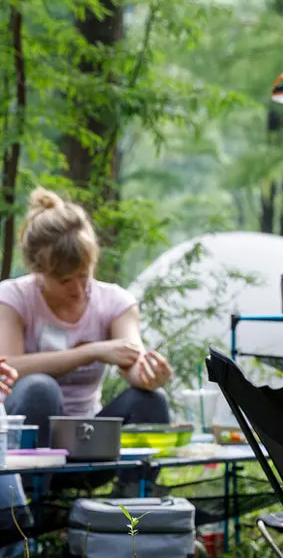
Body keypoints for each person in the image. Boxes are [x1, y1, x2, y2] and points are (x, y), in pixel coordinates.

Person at [0, 187, 173, 446]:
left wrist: (149, 374)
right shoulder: (12, 298)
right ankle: (34, 473)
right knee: (40, 388)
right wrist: (90, 352)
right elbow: (9, 369)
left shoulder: (116, 302)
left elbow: (133, 358)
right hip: (28, 435)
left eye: (84, 275)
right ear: (38, 271)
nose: (78, 290)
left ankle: (136, 475)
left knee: (151, 400)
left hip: (88, 435)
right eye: (65, 281)